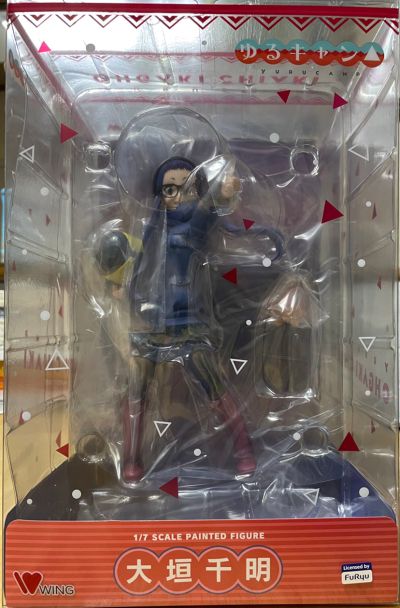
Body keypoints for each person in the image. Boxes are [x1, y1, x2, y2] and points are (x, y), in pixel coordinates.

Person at [95, 155, 285, 483]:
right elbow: (140, 269)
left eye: (188, 189)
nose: (179, 196)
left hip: (189, 322)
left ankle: (243, 449)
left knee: (213, 385)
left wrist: (224, 191)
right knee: (137, 387)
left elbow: (209, 208)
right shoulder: (152, 232)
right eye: (170, 189)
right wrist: (123, 288)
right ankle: (131, 459)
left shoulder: (194, 226)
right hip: (152, 322)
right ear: (160, 194)